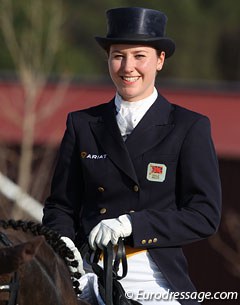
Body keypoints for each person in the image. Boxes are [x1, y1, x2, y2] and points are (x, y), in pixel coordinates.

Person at [42, 7, 222, 305]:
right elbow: (61, 205)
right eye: (118, 55)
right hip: (85, 271)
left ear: (160, 60)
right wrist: (63, 246)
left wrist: (131, 225)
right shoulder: (82, 123)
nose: (128, 67)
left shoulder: (189, 127)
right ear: (108, 59)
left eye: (139, 56)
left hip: (150, 273)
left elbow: (204, 215)